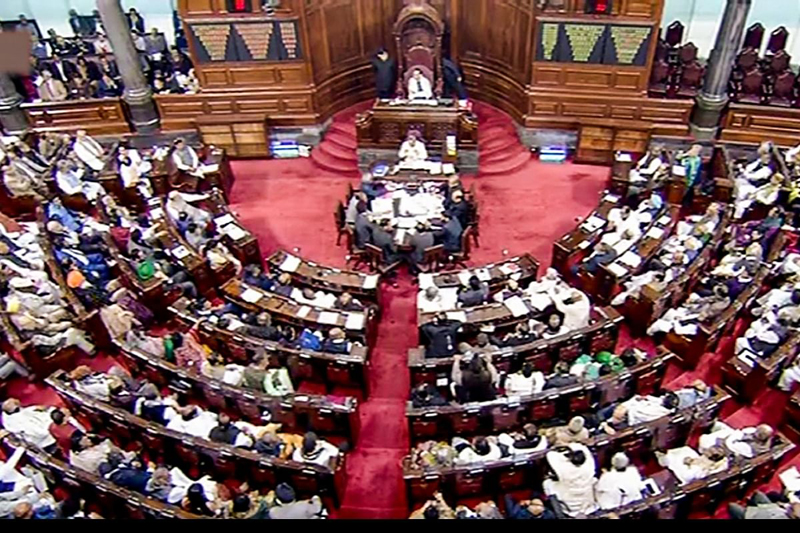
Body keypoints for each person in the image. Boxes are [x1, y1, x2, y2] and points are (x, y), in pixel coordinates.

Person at [543, 443, 598, 517]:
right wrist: (569, 445)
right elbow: (583, 448)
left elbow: (550, 454)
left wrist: (564, 444)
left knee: (547, 483)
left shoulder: (565, 470)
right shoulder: (589, 466)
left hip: (570, 508)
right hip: (588, 504)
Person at [728, 492, 800, 520]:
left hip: (757, 516)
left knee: (732, 506)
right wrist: (784, 505)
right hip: (774, 510)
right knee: (758, 494)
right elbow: (795, 505)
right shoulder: (789, 511)